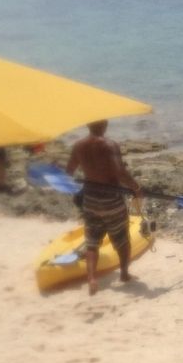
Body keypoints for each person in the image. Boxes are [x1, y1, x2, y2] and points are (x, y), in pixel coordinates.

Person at [65, 120, 142, 296]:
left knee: (92, 242)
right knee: (121, 239)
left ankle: (92, 278)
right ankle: (124, 274)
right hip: (111, 200)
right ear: (104, 125)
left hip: (91, 200)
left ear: (88, 125)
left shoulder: (78, 145)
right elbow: (120, 172)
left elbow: (69, 171)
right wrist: (136, 188)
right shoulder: (109, 145)